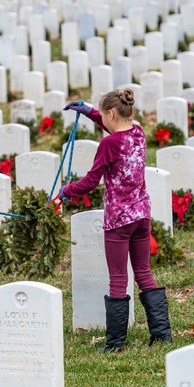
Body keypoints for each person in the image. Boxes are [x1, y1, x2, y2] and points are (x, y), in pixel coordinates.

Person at [60, 90, 172, 351]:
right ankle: (162, 335)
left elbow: (89, 182)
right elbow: (111, 125)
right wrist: (88, 110)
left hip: (119, 220)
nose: (101, 119)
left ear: (111, 113)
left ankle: (115, 343)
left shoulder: (108, 145)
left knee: (119, 278)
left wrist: (66, 191)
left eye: (102, 114)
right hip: (141, 215)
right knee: (143, 272)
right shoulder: (139, 132)